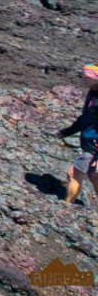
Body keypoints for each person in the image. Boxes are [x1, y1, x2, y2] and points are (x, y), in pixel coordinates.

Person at [58, 64, 98, 204]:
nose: (84, 79)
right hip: (90, 143)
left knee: (74, 174)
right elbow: (84, 118)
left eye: (87, 77)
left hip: (94, 146)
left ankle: (67, 205)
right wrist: (66, 132)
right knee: (94, 176)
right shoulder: (92, 94)